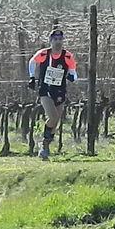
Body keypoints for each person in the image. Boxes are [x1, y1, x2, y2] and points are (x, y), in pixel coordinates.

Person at [28, 29, 77, 161]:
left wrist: (72, 77)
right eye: (55, 40)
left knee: (56, 121)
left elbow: (73, 70)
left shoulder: (67, 56)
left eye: (60, 39)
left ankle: (45, 146)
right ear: (51, 41)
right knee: (53, 116)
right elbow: (32, 62)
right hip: (45, 89)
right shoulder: (44, 54)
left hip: (60, 90)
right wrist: (32, 77)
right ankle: (44, 144)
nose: (58, 42)